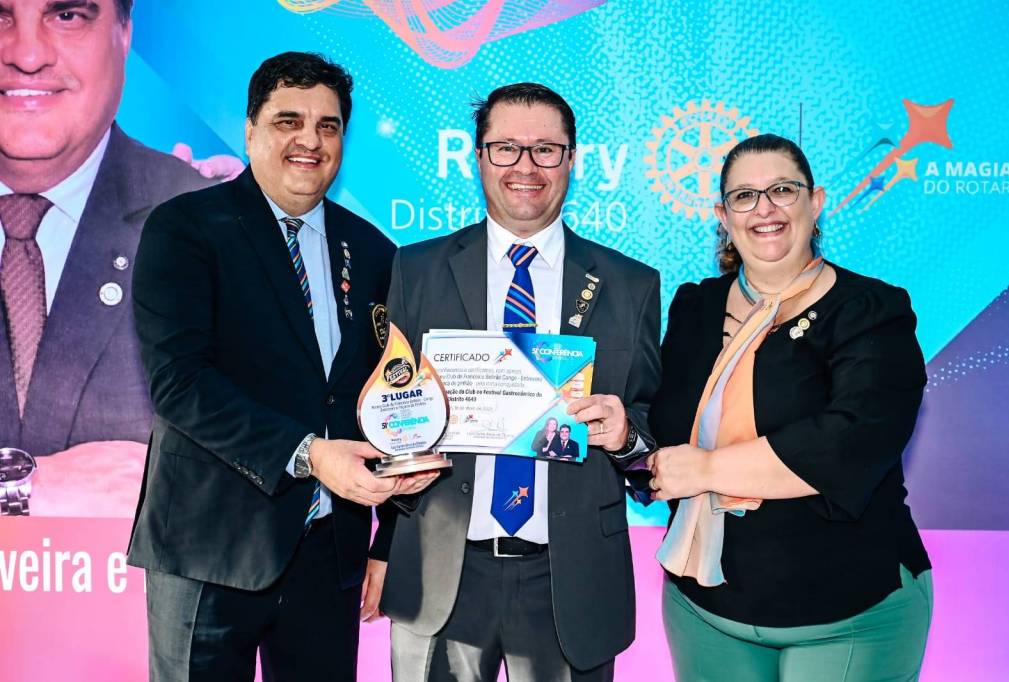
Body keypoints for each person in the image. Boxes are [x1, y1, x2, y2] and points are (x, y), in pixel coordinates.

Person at [126, 51, 434, 681]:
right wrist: (310, 454)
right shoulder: (186, 228)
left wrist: (387, 542)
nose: (309, 140)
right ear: (250, 131)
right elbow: (179, 384)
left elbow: (395, 399)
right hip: (211, 549)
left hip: (329, 554)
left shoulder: (375, 252)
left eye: (328, 126)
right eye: (288, 120)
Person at [380, 82, 661, 682]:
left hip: (571, 578)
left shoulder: (631, 285)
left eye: (546, 150)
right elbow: (390, 408)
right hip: (442, 572)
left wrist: (625, 437)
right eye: (506, 148)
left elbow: (651, 439)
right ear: (479, 157)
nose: (525, 167)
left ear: (572, 159)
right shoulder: (415, 270)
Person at [647, 134, 933, 681]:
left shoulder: (871, 309)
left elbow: (848, 443)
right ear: (723, 216)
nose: (765, 209)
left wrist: (707, 469)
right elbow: (663, 430)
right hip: (705, 608)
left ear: (815, 201)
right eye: (744, 196)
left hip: (847, 611)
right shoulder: (695, 306)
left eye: (782, 190)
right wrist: (623, 437)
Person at [0, 0, 236, 517]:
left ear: (126, 32)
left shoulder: (217, 228)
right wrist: (26, 489)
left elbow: (275, 473)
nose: (27, 54)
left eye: (67, 15)